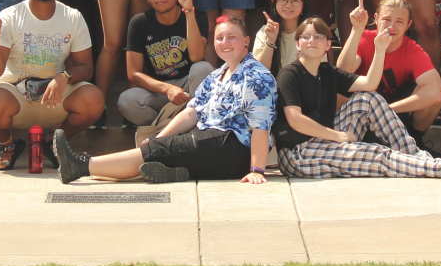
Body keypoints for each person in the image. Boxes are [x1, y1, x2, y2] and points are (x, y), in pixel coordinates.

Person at [53, 13, 275, 184]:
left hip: (235, 148)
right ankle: (175, 171)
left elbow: (260, 128)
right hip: (211, 142)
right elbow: (191, 112)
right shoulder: (217, 75)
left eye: (232, 37)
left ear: (246, 41)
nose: (225, 42)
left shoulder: (256, 76)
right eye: (219, 38)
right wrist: (159, 137)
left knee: (159, 151)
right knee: (163, 147)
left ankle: (81, 166)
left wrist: (256, 170)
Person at [275, 13, 441, 179]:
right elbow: (295, 120)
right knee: (377, 154)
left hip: (324, 140)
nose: (311, 41)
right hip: (298, 153)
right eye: (306, 37)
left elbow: (369, 84)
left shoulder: (326, 71)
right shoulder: (289, 75)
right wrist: (336, 136)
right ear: (298, 44)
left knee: (367, 99)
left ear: (327, 44)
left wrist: (380, 50)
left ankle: (416, 156)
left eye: (318, 37)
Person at [0, 0, 104, 170]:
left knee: (93, 99)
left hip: (52, 98)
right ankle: (6, 144)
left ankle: (54, 141)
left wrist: (65, 76)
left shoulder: (73, 17)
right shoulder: (10, 16)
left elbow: (86, 67)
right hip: (16, 97)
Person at [337, 0, 441, 149]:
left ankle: (415, 140)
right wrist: (356, 29)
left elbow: (435, 92)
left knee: (432, 95)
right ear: (376, 18)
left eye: (399, 22)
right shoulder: (365, 39)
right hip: (361, 110)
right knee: (339, 89)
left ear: (408, 25)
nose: (391, 27)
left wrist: (384, 110)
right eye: (386, 19)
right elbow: (341, 74)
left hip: (396, 112)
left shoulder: (412, 49)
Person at [119, 0, 215, 133]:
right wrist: (167, 89)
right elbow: (133, 74)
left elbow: (197, 56)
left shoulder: (196, 15)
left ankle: (194, 125)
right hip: (161, 91)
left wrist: (188, 11)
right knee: (127, 100)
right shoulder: (139, 23)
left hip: (190, 87)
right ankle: (171, 128)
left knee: (203, 68)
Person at [251, 0, 309, 73]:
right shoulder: (264, 32)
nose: (289, 5)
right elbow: (259, 74)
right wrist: (270, 41)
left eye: (295, 0)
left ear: (304, 4)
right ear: (274, 2)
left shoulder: (312, 33)